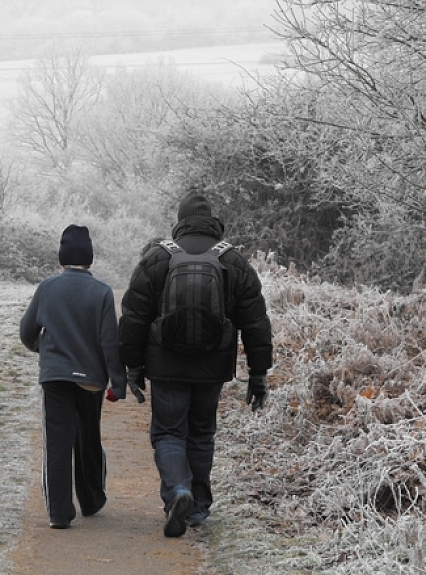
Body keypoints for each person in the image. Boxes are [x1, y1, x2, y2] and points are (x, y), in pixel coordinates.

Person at [119, 191, 273, 537]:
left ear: (180, 221)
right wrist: (258, 374)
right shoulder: (232, 261)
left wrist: (132, 367)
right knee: (201, 433)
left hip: (165, 365)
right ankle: (198, 507)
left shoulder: (158, 258)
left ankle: (178, 491)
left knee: (169, 431)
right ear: (214, 222)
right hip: (212, 367)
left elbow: (133, 318)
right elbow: (256, 323)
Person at [19, 224, 127, 529]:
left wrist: (43, 348)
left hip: (54, 377)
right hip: (90, 379)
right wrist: (117, 383)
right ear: (90, 260)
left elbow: (26, 333)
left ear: (62, 259)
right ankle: (92, 499)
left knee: (57, 441)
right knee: (88, 437)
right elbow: (109, 341)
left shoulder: (47, 288)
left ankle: (59, 513)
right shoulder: (103, 292)